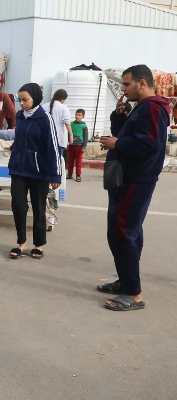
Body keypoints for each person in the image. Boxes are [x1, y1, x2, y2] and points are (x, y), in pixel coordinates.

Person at [98, 65, 170, 311]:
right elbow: (130, 136)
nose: (123, 89)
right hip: (128, 179)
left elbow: (150, 144)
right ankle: (126, 280)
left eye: (127, 84)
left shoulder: (152, 108)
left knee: (123, 232)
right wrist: (119, 117)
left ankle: (134, 294)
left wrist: (117, 142)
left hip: (136, 181)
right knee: (126, 232)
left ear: (142, 83)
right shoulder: (141, 108)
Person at [7, 83, 62, 260]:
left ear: (35, 98)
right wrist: (14, 147)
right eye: (19, 100)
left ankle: (38, 245)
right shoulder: (20, 116)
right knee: (18, 205)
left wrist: (55, 174)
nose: (21, 104)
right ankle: (21, 243)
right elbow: (21, 137)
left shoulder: (45, 118)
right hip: (18, 169)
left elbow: (53, 147)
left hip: (39, 172)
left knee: (39, 208)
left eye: (25, 100)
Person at [42, 89, 73, 161]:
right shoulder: (63, 107)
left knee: (46, 161)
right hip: (59, 140)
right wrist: (71, 134)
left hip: (45, 139)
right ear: (63, 99)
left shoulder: (44, 106)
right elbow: (67, 122)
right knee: (57, 162)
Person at [67, 109, 88, 181]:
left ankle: (78, 175)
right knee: (70, 160)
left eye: (79, 115)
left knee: (78, 162)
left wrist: (84, 146)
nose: (77, 116)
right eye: (76, 114)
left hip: (79, 146)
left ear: (83, 116)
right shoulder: (71, 124)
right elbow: (68, 134)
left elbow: (86, 137)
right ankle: (69, 174)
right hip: (71, 145)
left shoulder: (84, 125)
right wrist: (67, 142)